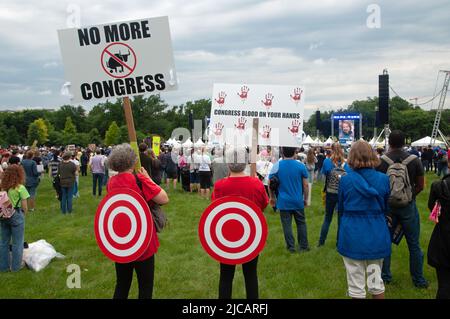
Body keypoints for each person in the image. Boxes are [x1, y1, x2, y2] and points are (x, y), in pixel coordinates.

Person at [106, 144, 168, 299]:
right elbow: (163, 198)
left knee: (122, 284)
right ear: (133, 162)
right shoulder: (139, 180)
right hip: (143, 240)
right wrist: (147, 179)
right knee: (145, 287)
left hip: (121, 240)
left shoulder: (111, 182)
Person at [212, 145, 268, 299]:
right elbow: (263, 205)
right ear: (245, 163)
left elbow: (214, 210)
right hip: (251, 235)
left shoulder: (219, 186)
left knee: (225, 276)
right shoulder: (256, 184)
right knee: (251, 275)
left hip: (225, 237)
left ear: (228, 163)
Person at [338, 140, 391, 299]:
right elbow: (387, 206)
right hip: (377, 232)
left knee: (356, 285)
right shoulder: (383, 179)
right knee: (376, 282)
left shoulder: (346, 180)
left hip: (353, 233)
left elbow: (341, 208)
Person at [376, 130, 429, 288]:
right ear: (404, 142)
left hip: (389, 207)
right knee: (414, 244)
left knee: (386, 242)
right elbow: (420, 186)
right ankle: (418, 280)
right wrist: (410, 196)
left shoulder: (382, 161)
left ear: (389, 143)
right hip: (408, 206)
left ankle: (385, 277)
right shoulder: (414, 160)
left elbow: (379, 186)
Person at [269, 146, 310, 253]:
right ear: (295, 152)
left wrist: (272, 197)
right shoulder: (301, 166)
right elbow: (305, 185)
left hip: (283, 201)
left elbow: (270, 183)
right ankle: (304, 246)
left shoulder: (276, 166)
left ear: (282, 152)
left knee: (286, 225)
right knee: (301, 223)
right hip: (297, 200)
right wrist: (305, 199)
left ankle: (291, 247)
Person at [318, 142, 350, 247]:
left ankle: (321, 242)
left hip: (330, 192)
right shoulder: (347, 163)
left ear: (331, 150)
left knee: (327, 218)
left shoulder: (327, 161)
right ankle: (339, 243)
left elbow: (324, 176)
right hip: (342, 193)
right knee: (341, 219)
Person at [427, 155, 450, 299]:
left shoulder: (439, 186)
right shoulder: (439, 185)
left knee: (445, 285)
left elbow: (432, 208)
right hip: (443, 237)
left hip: (444, 239)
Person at [0, 164, 29, 272]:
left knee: (3, 242)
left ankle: (3, 266)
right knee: (18, 242)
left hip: (3, 214)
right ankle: (16, 267)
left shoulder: (2, 187)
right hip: (16, 214)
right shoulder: (20, 188)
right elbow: (25, 205)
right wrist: (24, 214)